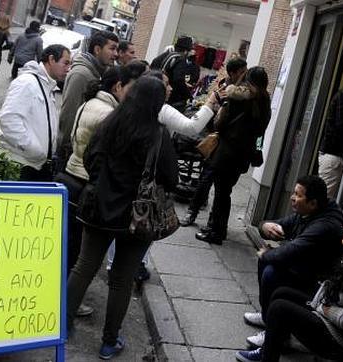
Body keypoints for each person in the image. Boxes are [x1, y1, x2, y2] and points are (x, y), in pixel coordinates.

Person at [66, 76, 178, 360]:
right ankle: (109, 341)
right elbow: (171, 177)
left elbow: (90, 159)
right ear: (157, 103)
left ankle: (61, 326)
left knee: (84, 267)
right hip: (136, 218)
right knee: (121, 279)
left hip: (98, 206)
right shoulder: (158, 134)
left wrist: (105, 184)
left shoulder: (110, 122)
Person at [105, 68, 220, 285]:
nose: (170, 88)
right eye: (165, 84)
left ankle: (115, 264)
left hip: (121, 181)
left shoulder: (125, 109)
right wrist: (209, 105)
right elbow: (191, 127)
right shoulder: (162, 110)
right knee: (144, 224)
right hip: (148, 182)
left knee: (121, 224)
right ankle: (134, 265)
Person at [55, 63, 147, 317]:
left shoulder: (90, 103)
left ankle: (63, 304)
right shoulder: (109, 114)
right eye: (132, 88)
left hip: (74, 175)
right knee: (80, 258)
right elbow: (98, 156)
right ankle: (64, 306)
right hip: (86, 183)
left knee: (75, 252)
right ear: (118, 86)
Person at [236, 215, 343, 362]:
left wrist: (328, 311)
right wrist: (320, 304)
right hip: (331, 322)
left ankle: (267, 356)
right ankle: (274, 345)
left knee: (280, 309)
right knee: (282, 294)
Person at [242, 175, 343, 329]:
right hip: (303, 269)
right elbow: (273, 224)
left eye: (298, 195)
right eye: (294, 193)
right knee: (267, 262)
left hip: (317, 284)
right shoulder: (306, 213)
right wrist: (266, 226)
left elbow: (291, 250)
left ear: (312, 203)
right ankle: (267, 316)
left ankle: (274, 326)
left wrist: (265, 253)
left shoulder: (325, 226)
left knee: (270, 270)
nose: (292, 198)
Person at [194, 66, 271, 245]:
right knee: (225, 191)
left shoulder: (237, 98)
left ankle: (216, 232)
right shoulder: (265, 102)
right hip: (243, 154)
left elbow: (220, 124)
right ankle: (216, 227)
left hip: (227, 151)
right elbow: (261, 132)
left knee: (221, 193)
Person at [180, 57, 248, 227]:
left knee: (223, 187)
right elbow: (211, 111)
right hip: (218, 141)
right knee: (206, 178)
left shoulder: (247, 92)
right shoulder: (221, 90)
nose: (244, 74)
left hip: (235, 146)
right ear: (233, 73)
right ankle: (193, 211)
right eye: (241, 71)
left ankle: (212, 221)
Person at [0, 45, 71, 181]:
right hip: (22, 165)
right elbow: (8, 119)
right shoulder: (27, 83)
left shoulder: (47, 85)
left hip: (35, 165)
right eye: (65, 63)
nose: (68, 69)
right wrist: (34, 150)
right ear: (51, 59)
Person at [57, 30, 119, 172]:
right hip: (70, 154)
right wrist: (65, 149)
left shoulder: (98, 72)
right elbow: (68, 114)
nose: (116, 54)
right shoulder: (81, 74)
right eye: (112, 48)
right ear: (97, 49)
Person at [150, 35, 194, 112]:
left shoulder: (164, 56)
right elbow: (178, 79)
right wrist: (188, 95)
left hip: (153, 92)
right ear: (186, 51)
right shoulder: (181, 59)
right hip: (169, 99)